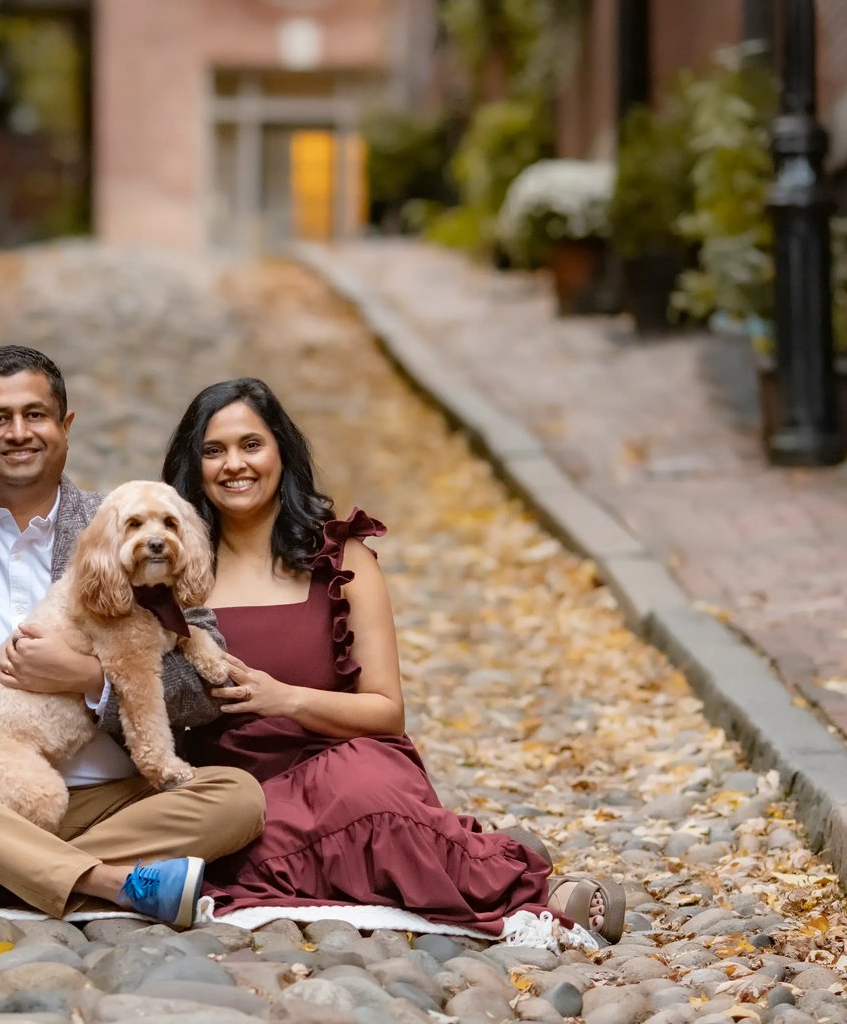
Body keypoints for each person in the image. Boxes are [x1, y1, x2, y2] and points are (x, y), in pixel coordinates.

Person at [161, 377, 625, 940]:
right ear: (194, 466)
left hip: (349, 765)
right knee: (247, 850)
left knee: (365, 797)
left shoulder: (342, 560)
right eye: (214, 451)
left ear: (282, 450)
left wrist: (285, 699)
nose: (234, 464)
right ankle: (473, 850)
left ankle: (523, 883)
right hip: (241, 795)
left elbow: (386, 712)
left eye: (250, 445)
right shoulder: (173, 571)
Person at [0, 345, 264, 928]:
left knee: (239, 798)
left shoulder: (129, 519)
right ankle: (112, 883)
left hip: (117, 801)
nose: (19, 432)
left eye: (36, 415)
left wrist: (92, 681)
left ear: (65, 427)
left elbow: (204, 689)